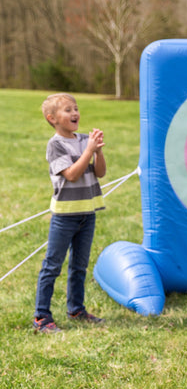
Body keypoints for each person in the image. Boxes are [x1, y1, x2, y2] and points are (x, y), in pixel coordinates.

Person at [33, 93, 107, 333]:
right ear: (52, 118)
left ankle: (76, 309)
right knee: (52, 265)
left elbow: (101, 172)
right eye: (68, 110)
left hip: (87, 213)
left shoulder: (84, 140)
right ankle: (41, 316)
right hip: (65, 216)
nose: (75, 113)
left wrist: (98, 151)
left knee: (79, 265)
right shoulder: (55, 144)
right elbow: (72, 174)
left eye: (76, 108)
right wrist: (89, 150)